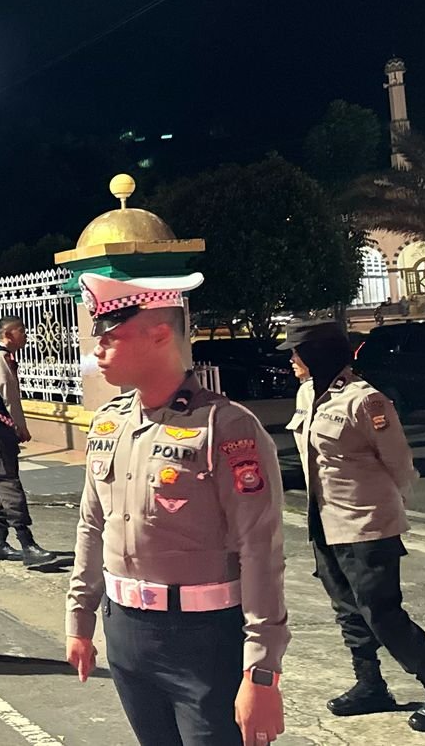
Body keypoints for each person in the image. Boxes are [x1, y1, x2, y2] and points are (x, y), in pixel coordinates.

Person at [64, 273, 287, 746]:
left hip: (204, 640)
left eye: (111, 336)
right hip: (126, 632)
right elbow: (91, 526)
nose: (98, 349)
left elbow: (260, 551)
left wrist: (262, 670)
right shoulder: (108, 424)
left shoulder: (224, 427)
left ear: (160, 334)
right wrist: (80, 619)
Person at [279, 319, 425, 732]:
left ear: (317, 354)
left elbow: (400, 464)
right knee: (348, 611)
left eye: (297, 351)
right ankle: (370, 686)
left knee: (382, 614)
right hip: (324, 522)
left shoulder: (366, 401)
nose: (292, 359)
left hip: (368, 527)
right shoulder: (307, 394)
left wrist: (388, 512)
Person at [0, 318, 63, 570]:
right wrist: (20, 425)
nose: (26, 335)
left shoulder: (2, 356)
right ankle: (27, 544)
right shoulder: (0, 357)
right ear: (9, 334)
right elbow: (9, 393)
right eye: (21, 331)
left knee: (6, 482)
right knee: (7, 482)